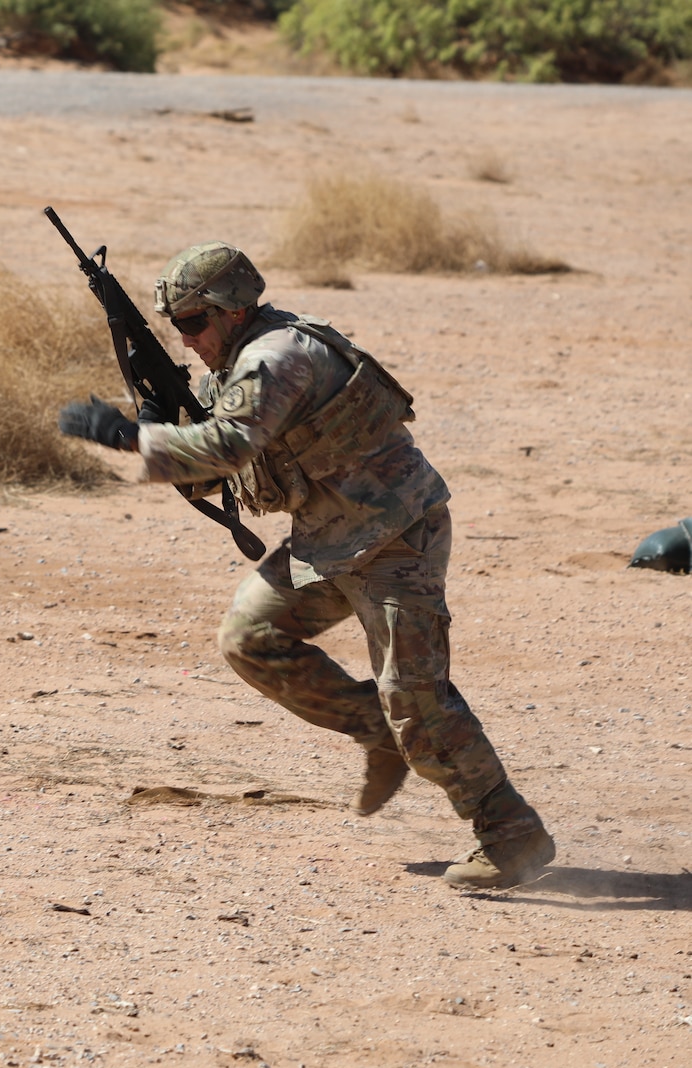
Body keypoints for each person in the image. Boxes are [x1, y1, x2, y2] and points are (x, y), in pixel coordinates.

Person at [58, 241, 554, 889]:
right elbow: (235, 472)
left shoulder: (276, 357)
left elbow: (229, 444)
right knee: (251, 638)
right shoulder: (239, 362)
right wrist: (161, 415)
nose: (184, 340)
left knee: (420, 701)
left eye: (191, 323)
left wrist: (130, 435)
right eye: (174, 327)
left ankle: (511, 835)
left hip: (394, 536)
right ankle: (375, 730)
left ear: (231, 312)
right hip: (330, 538)